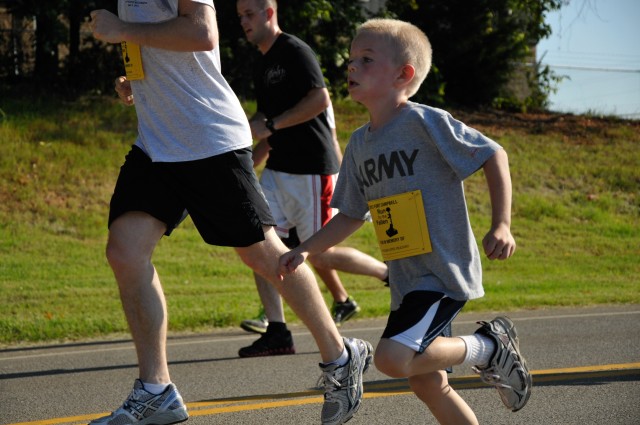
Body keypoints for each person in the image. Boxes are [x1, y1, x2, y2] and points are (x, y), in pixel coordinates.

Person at [88, 2, 373, 425]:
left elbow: (202, 33)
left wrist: (121, 28)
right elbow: (168, 47)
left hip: (207, 138)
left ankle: (340, 355)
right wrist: (140, 78)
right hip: (157, 143)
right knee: (125, 251)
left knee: (264, 254)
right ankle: (156, 390)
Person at [279, 18, 532, 424]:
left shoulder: (423, 121)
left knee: (392, 360)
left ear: (404, 74)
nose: (352, 67)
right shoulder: (360, 142)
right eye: (350, 60)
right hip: (407, 278)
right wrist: (305, 249)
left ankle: (488, 346)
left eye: (365, 59)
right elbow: (349, 215)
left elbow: (492, 154)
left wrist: (501, 224)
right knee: (428, 384)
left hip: (441, 272)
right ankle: (484, 352)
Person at [236, 0, 388, 357]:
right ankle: (277, 331)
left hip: (312, 170)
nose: (243, 22)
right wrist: (247, 155)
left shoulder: (293, 50)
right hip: (278, 170)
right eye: (239, 16)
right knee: (258, 242)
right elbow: (267, 119)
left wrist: (269, 124)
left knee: (320, 255)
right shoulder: (262, 62)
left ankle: (389, 273)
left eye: (249, 14)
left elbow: (320, 99)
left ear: (270, 12)